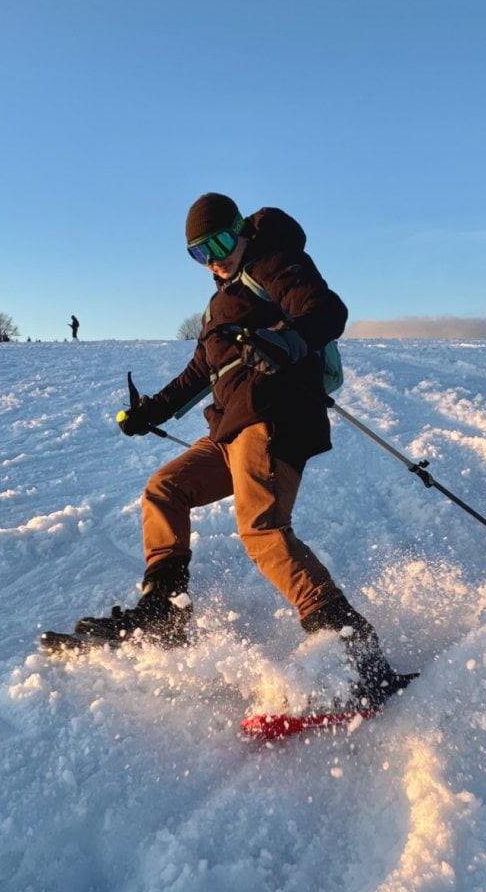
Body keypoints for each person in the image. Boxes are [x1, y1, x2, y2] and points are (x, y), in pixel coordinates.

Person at [53, 193, 408, 711]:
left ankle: (354, 647)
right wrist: (149, 412)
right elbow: (200, 374)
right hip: (229, 428)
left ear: (241, 230)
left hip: (273, 415)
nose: (214, 259)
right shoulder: (218, 303)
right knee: (165, 490)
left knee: (261, 527)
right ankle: (164, 613)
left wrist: (287, 342)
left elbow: (326, 310)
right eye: (200, 253)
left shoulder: (275, 260)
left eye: (219, 243)